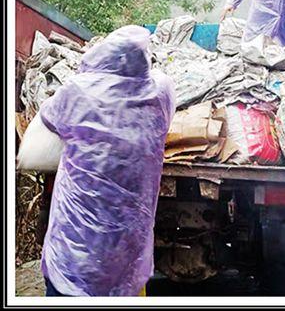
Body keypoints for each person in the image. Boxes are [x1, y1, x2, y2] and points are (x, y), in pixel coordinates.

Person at [25, 26, 175, 296]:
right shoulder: (161, 94)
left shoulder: (78, 91)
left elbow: (48, 118)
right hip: (127, 253)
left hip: (74, 252)